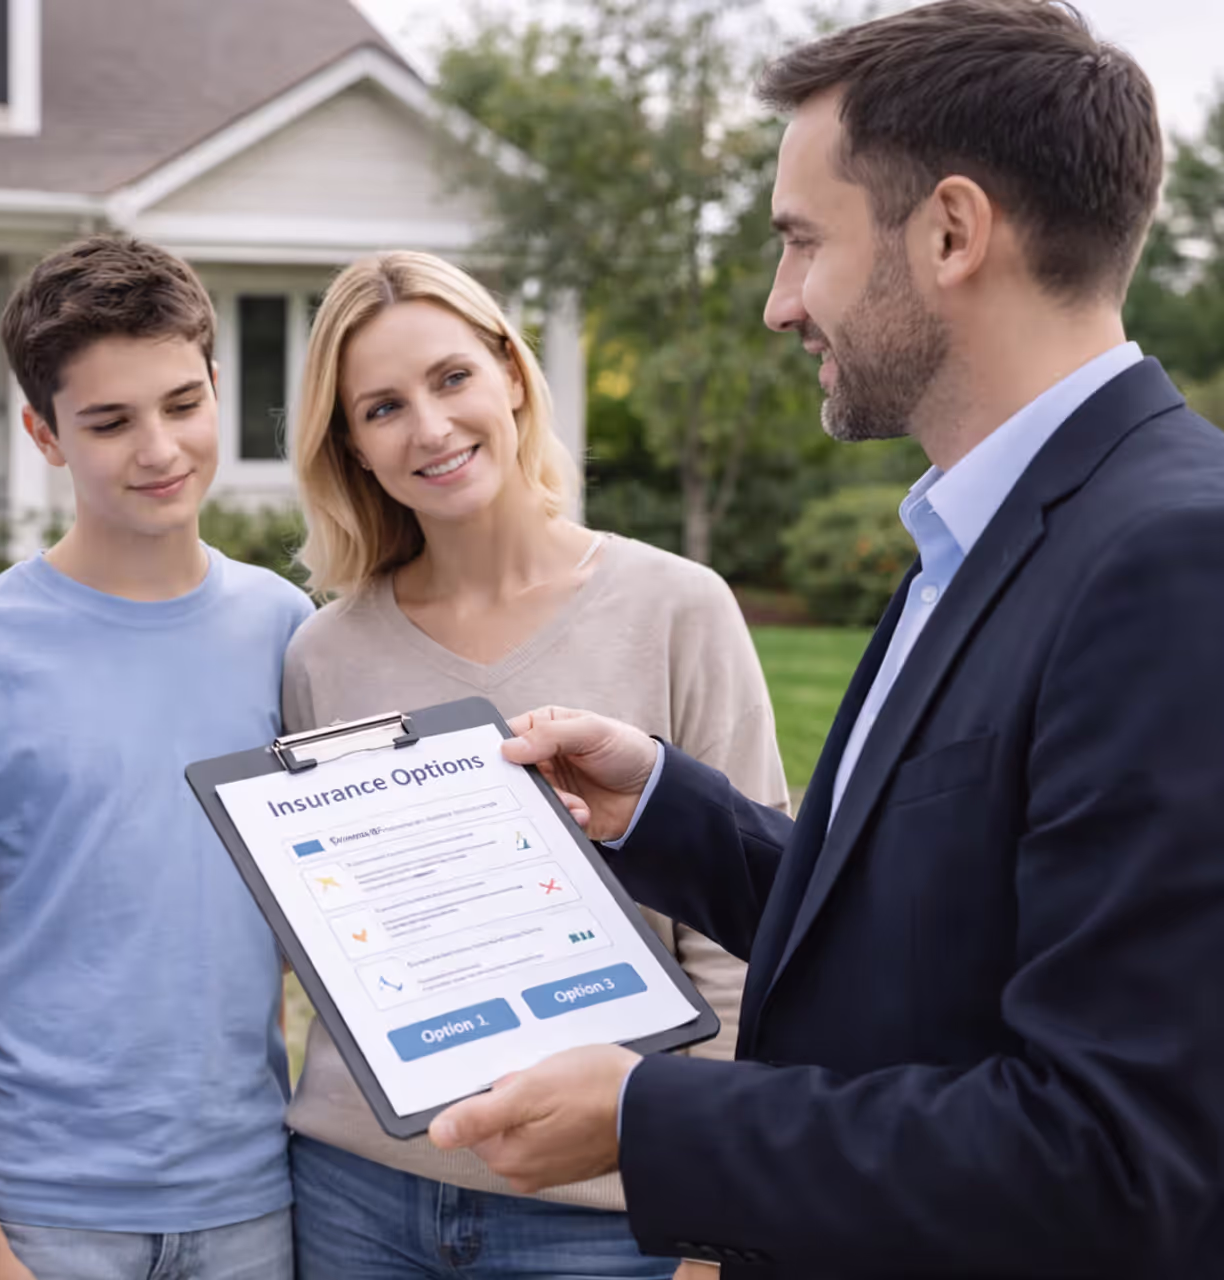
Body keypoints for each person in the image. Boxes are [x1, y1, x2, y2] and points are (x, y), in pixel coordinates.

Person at [425, 2, 1224, 1276]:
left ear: (952, 232)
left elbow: (1116, 1151)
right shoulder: (994, 524)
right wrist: (669, 813)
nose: (778, 304)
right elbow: (937, 926)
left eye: (802, 243)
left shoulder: (1174, 560)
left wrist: (648, 1117)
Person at [281, 249, 787, 1280]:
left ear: (513, 373)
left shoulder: (678, 607)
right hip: (356, 1192)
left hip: (610, 1213)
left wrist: (711, 1219)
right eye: (382, 407)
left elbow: (748, 942)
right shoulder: (322, 653)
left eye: (452, 377)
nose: (428, 426)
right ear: (352, 448)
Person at [0, 235, 312, 1280]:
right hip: (45, 1211)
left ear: (218, 388)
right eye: (109, 421)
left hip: (249, 1192)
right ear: (43, 434)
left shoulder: (285, 627)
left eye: (183, 404)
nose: (159, 448)